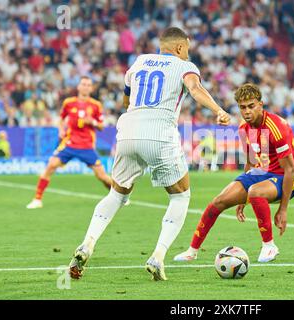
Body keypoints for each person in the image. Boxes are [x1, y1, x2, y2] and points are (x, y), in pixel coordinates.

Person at [68, 27, 230, 281]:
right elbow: (195, 88)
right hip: (159, 133)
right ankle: (158, 256)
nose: (187, 52)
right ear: (179, 47)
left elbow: (125, 99)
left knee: (117, 194)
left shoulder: (139, 62)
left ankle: (87, 243)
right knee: (180, 197)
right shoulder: (184, 66)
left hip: (128, 130)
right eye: (186, 47)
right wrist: (218, 110)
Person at [174, 83, 294, 263]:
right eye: (243, 107)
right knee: (218, 202)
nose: (247, 111)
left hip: (287, 177)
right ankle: (192, 251)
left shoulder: (276, 127)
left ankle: (269, 246)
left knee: (256, 191)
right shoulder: (244, 129)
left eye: (251, 106)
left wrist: (283, 209)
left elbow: (290, 170)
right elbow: (250, 161)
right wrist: (243, 198)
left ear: (261, 105)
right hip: (262, 173)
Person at [26, 77, 112, 209]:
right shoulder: (68, 103)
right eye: (83, 84)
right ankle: (37, 199)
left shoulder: (96, 105)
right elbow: (61, 119)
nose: (86, 87)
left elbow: (101, 126)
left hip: (87, 146)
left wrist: (93, 122)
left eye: (88, 85)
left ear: (91, 88)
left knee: (102, 176)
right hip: (69, 143)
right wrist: (61, 130)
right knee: (51, 165)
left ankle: (120, 196)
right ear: (78, 86)